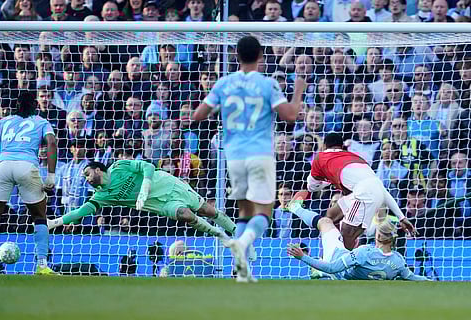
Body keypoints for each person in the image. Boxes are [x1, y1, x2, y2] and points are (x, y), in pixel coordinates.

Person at [192, 35, 306, 282]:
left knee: (244, 211)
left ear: (236, 56)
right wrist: (298, 92)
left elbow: (198, 115)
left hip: (233, 156)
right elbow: (290, 116)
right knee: (265, 210)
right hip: (260, 153)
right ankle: (242, 243)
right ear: (261, 58)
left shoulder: (223, 83)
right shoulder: (268, 84)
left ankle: (241, 270)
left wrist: (219, 106)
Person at [47, 160, 236, 245]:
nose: (86, 179)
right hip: (160, 205)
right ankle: (220, 235)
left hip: (167, 185)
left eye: (87, 174)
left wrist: (144, 189)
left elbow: (148, 166)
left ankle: (237, 232)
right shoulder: (101, 196)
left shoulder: (119, 166)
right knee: (185, 215)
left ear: (98, 170)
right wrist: (54, 222)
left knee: (207, 211)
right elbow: (80, 211)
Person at [291, 132, 416, 250]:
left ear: (324, 146)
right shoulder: (355, 157)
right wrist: (401, 217)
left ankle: (345, 264)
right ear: (342, 146)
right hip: (367, 192)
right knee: (330, 216)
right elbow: (379, 188)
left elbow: (312, 187)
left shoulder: (321, 157)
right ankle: (337, 253)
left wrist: (323, 181)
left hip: (363, 194)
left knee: (346, 232)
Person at [0, 92, 57, 275]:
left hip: (3, 166)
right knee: (39, 216)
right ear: (35, 105)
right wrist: (51, 175)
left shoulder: (3, 122)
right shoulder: (41, 121)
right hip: (27, 166)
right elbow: (51, 142)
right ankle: (42, 265)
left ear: (16, 104)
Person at [287, 212, 430, 281]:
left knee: (325, 222)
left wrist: (302, 256)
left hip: (334, 257)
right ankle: (319, 273)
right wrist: (433, 282)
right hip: (347, 271)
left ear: (378, 236)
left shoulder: (364, 252)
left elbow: (332, 267)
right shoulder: (398, 261)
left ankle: (295, 208)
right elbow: (412, 277)